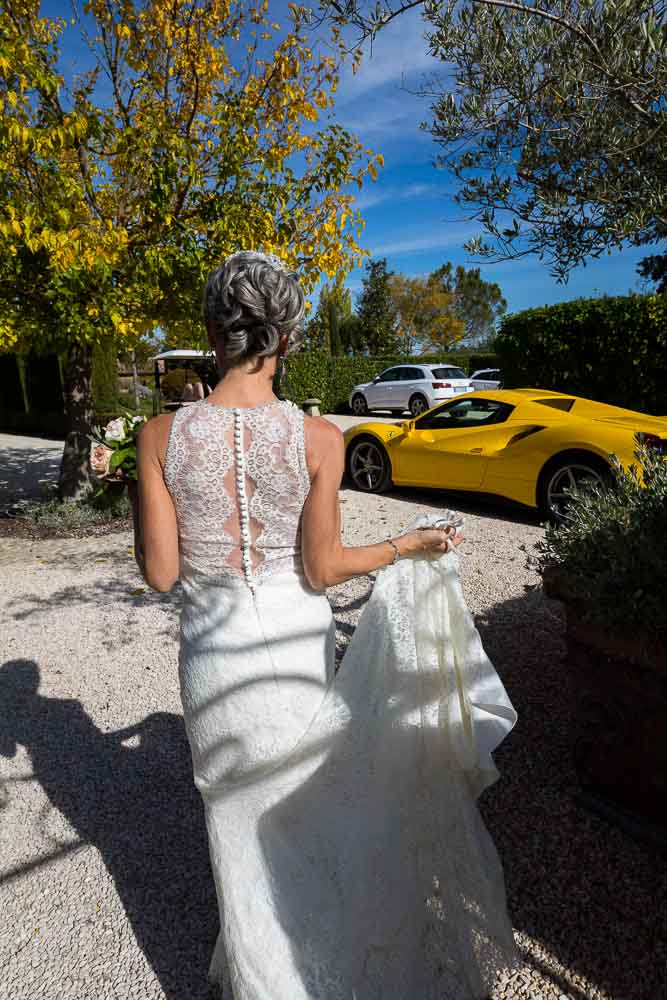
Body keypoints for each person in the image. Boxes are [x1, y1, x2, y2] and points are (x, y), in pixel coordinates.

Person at [134, 250, 518, 999]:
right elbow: (323, 569)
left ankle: (263, 976)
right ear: (287, 338)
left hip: (214, 655)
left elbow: (160, 573)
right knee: (306, 808)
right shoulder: (318, 439)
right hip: (290, 649)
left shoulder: (158, 437)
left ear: (213, 330)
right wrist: (406, 544)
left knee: (236, 820)